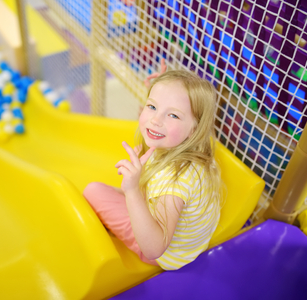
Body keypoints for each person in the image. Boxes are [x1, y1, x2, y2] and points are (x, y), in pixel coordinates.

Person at [83, 62, 222, 271]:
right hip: (185, 239)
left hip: (164, 254)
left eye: (173, 115)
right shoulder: (193, 143)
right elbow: (165, 117)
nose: (155, 120)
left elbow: (154, 248)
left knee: (93, 190)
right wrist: (165, 92)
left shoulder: (173, 183)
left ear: (195, 129)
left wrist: (131, 190)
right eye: (152, 106)